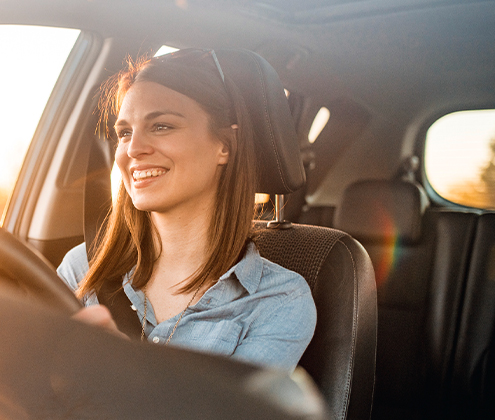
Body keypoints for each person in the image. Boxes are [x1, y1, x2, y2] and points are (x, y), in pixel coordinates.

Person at [58, 49, 316, 372]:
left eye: (161, 126)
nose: (133, 149)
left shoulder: (278, 301)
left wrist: (122, 376)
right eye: (124, 133)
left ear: (225, 145)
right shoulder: (82, 268)